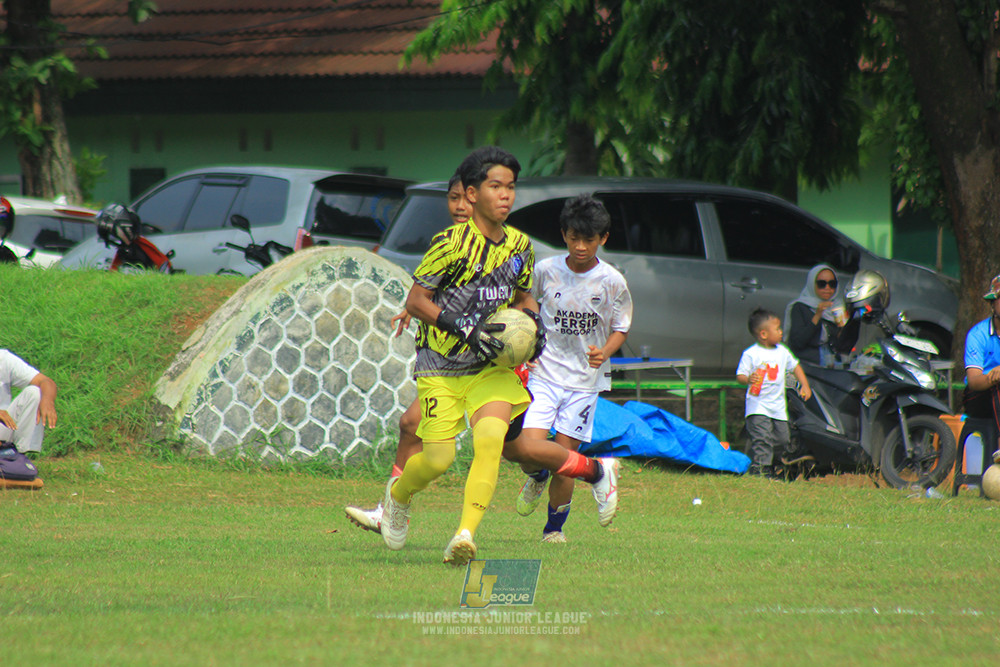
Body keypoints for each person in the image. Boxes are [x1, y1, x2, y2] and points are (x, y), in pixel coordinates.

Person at [374, 147, 618, 566]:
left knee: (491, 442)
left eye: (510, 187)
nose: (506, 195)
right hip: (441, 367)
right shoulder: (449, 244)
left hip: (490, 368)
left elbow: (525, 297)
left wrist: (534, 326)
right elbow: (417, 300)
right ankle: (397, 499)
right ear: (472, 194)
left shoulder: (520, 246)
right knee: (438, 459)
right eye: (495, 186)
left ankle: (465, 535)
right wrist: (462, 326)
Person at [513, 194, 632, 543]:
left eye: (589, 240)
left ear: (603, 239)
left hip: (584, 382)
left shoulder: (612, 281)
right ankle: (535, 477)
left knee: (566, 458)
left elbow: (621, 326)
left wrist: (605, 352)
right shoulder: (546, 270)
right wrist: (528, 337)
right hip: (543, 374)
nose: (581, 247)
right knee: (525, 449)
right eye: (574, 238)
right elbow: (526, 301)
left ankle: (554, 530)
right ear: (563, 234)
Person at [737, 307, 811, 477]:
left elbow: (796, 366)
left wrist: (804, 386)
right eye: (777, 329)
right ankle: (762, 470)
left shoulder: (783, 352)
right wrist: (749, 379)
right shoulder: (751, 354)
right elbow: (740, 376)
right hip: (758, 406)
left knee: (783, 439)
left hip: (778, 407)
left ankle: (766, 463)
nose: (781, 332)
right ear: (763, 334)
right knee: (762, 438)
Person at [962, 274, 1000, 455]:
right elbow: (974, 381)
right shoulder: (978, 334)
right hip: (979, 396)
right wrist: (995, 376)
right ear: (992, 304)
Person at [785, 264, 851, 367]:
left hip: (831, 359)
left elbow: (843, 343)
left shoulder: (836, 306)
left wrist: (845, 325)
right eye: (821, 284)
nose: (827, 288)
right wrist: (817, 315)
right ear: (812, 284)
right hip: (808, 362)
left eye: (832, 284)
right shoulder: (800, 307)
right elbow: (798, 342)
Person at [0, 349, 58, 454]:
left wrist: (48, 401)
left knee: (35, 392)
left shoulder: (3, 359)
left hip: (3, 424)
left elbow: (45, 381)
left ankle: (19, 455)